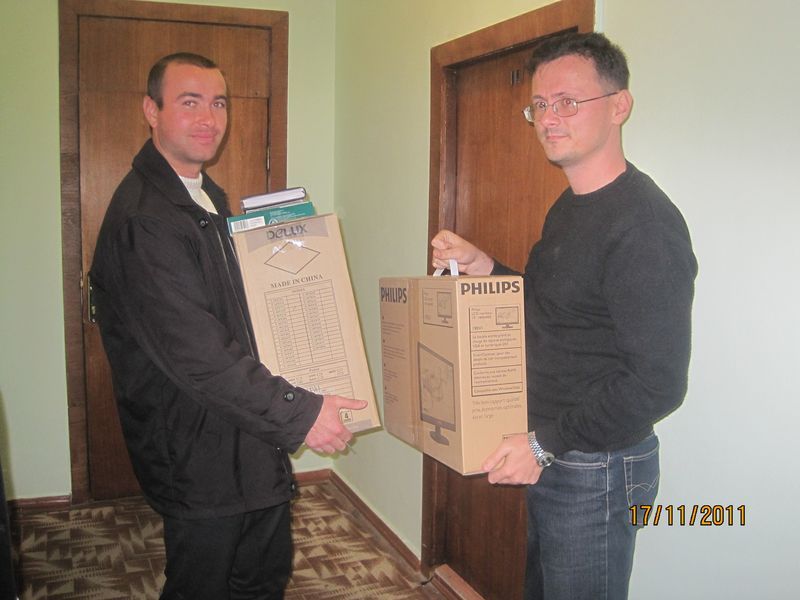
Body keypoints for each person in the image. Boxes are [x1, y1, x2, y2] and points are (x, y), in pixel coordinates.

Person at [90, 52, 365, 600]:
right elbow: (197, 353)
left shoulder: (202, 195)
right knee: (205, 585)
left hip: (243, 435)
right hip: (199, 452)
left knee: (262, 575)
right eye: (189, 102)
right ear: (151, 110)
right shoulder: (147, 219)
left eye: (218, 103)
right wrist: (301, 413)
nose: (208, 118)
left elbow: (232, 307)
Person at [431, 33, 697, 600]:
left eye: (568, 102)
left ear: (619, 105)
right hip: (558, 452)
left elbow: (658, 384)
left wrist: (544, 444)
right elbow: (557, 309)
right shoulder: (570, 206)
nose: (549, 118)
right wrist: (486, 266)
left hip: (597, 469)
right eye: (540, 105)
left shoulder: (644, 225)